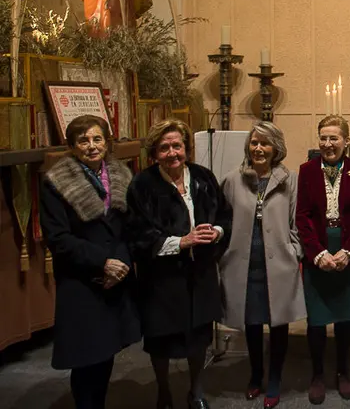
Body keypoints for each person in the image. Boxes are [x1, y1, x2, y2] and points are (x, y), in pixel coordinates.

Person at [127, 119, 232, 409]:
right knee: (161, 338)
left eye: (177, 145)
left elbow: (224, 214)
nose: (172, 153)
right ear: (154, 153)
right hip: (161, 278)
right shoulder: (142, 184)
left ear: (186, 147)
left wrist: (218, 232)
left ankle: (196, 390)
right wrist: (181, 241)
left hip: (200, 274)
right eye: (164, 148)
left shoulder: (203, 177)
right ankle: (163, 391)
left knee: (199, 337)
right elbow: (138, 233)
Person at [40, 115, 140, 409]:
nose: (92, 146)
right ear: (72, 146)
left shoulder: (122, 174)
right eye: (83, 140)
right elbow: (58, 238)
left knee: (106, 351)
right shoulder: (55, 182)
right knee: (85, 357)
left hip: (115, 278)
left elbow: (129, 227)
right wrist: (102, 262)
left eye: (97, 139)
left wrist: (120, 263)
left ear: (107, 142)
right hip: (81, 279)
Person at [218, 122, 306, 409]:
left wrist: (295, 251)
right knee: (252, 323)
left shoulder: (289, 179)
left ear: (275, 148)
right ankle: (256, 375)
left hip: (279, 262)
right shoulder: (233, 180)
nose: (258, 148)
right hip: (245, 264)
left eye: (265, 143)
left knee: (278, 323)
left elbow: (297, 221)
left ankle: (275, 379)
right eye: (254, 143)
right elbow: (223, 221)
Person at [296, 115, 350, 405]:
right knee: (316, 318)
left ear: (345, 141)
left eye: (334, 138)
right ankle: (317, 374)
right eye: (323, 138)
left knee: (344, 315)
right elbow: (302, 215)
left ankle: (342, 371)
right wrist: (317, 253)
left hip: (348, 250)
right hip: (318, 248)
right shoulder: (306, 171)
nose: (328, 144)